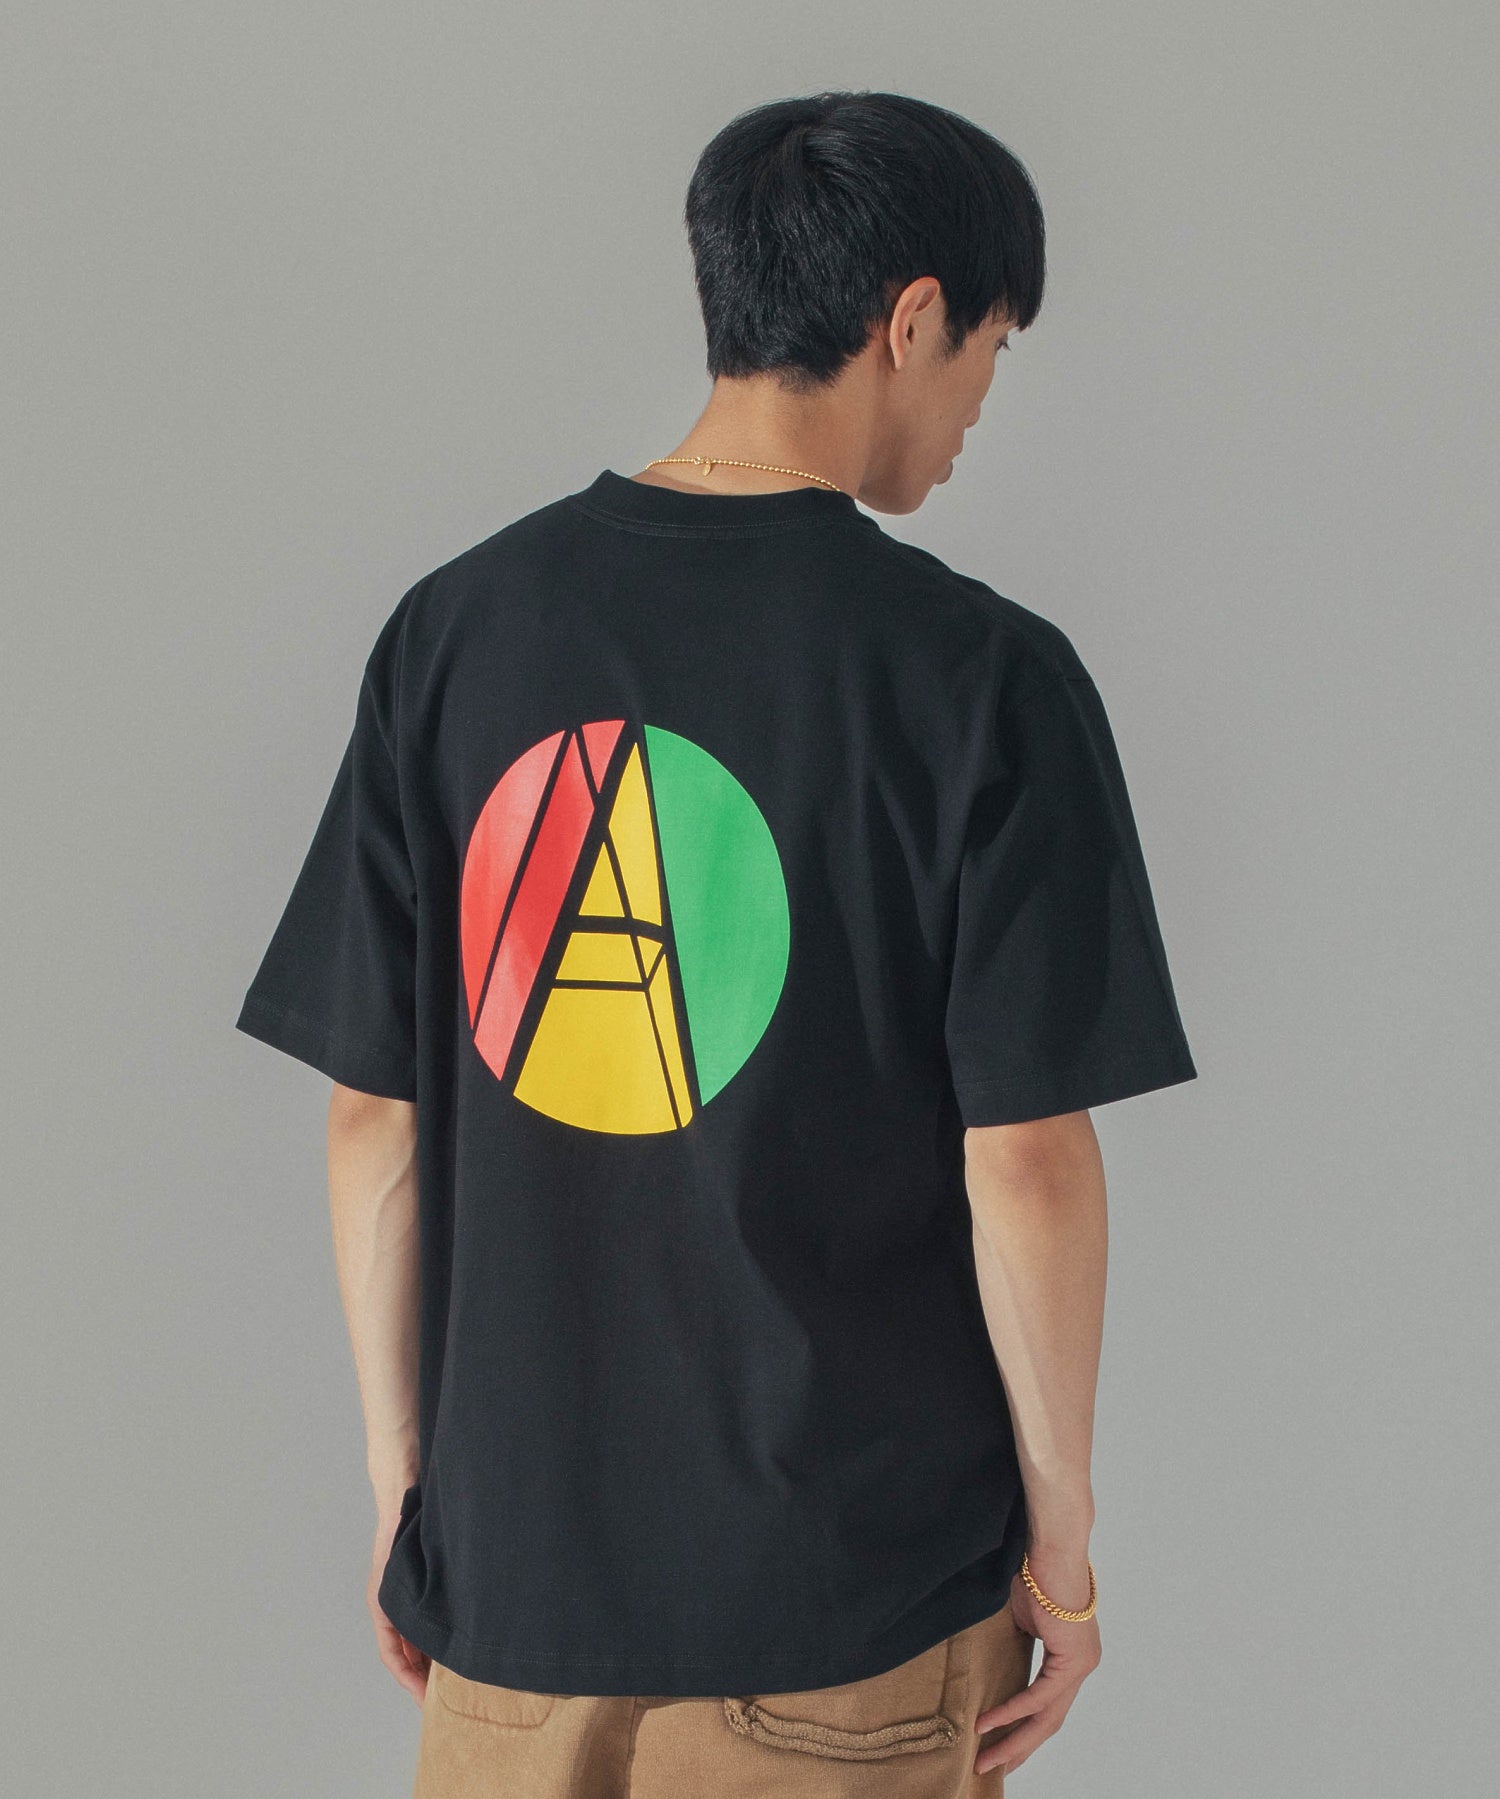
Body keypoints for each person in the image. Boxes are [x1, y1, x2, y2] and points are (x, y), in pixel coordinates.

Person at [234, 90, 1198, 1797]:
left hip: (509, 1616)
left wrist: (405, 1489)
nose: (981, 405)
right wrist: (1063, 1543)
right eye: (991, 350)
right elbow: (1028, 1159)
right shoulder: (979, 680)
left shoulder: (455, 634)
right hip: (846, 1616)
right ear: (913, 320)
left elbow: (373, 1115)